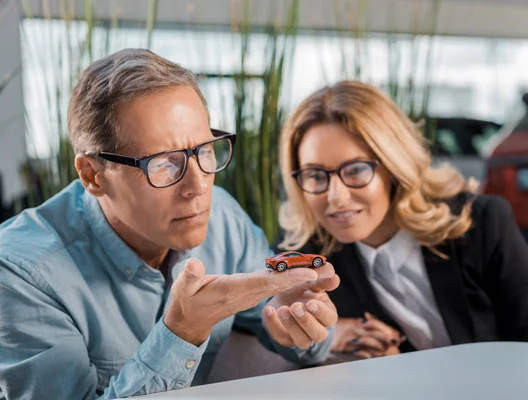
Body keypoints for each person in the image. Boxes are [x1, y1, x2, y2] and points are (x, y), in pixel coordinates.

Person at [0, 49, 340, 399]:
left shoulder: (222, 217)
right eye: (163, 163)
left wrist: (297, 323)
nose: (198, 188)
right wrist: (181, 332)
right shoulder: (19, 273)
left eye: (205, 150)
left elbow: (291, 326)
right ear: (93, 176)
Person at [275, 80, 528, 359]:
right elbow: (270, 325)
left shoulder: (483, 225)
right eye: (314, 175)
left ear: (394, 166)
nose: (335, 197)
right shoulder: (311, 252)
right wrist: (332, 333)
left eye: (356, 170)